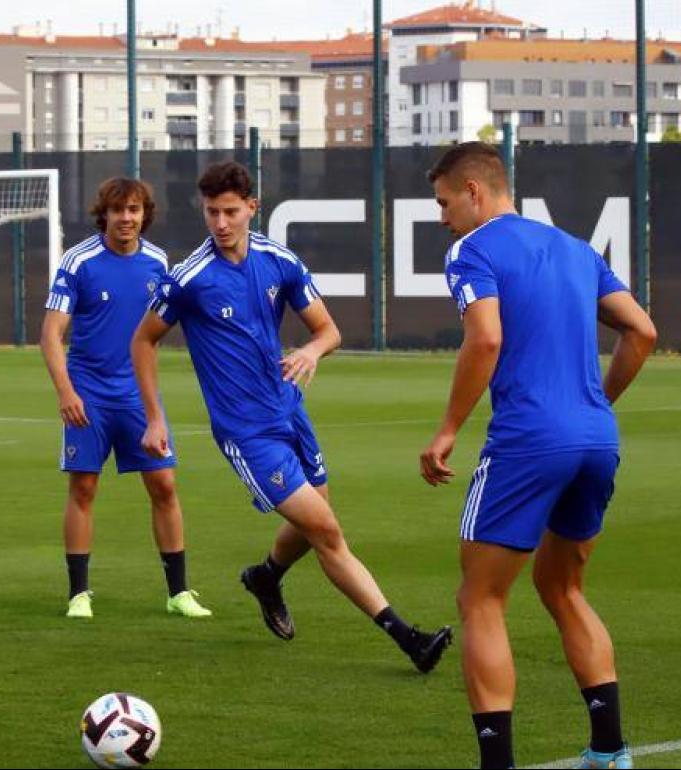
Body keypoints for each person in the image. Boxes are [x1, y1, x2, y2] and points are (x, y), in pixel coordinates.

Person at [132, 160, 452, 673]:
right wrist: (154, 417)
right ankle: (407, 637)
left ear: (252, 208)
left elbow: (329, 330)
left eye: (231, 211)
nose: (220, 223)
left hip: (290, 412)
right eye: (212, 212)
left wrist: (310, 351)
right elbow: (143, 341)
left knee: (311, 526)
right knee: (326, 530)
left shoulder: (279, 260)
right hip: (246, 431)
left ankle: (266, 577)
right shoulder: (188, 278)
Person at [418, 142, 656, 769]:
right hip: (596, 440)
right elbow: (643, 330)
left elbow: (486, 337)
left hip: (528, 441)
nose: (442, 217)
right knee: (563, 586)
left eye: (444, 203)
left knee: (480, 600)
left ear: (474, 191)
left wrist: (446, 431)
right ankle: (610, 752)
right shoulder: (577, 249)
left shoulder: (473, 250)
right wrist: (596, 403)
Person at [41, 177, 211, 620]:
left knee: (165, 485)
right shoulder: (78, 262)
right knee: (84, 486)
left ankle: (178, 593)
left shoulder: (158, 262)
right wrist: (66, 391)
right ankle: (79, 594)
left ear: (144, 215)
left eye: (134, 210)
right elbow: (51, 334)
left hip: (138, 396)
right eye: (118, 210)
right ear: (105, 215)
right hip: (89, 394)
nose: (126, 218)